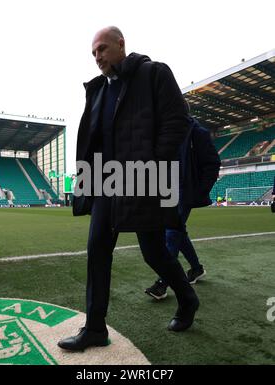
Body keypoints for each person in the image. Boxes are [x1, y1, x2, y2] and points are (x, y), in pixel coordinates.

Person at [58, 26, 199, 352]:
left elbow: (178, 120)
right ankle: (95, 328)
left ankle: (187, 298)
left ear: (121, 45)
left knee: (153, 253)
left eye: (103, 49)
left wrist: (154, 163)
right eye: (93, 53)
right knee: (97, 250)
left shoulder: (153, 74)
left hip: (142, 180)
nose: (98, 57)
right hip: (107, 183)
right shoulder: (99, 90)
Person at [145, 114, 221, 300]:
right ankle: (196, 269)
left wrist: (199, 192)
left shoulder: (198, 133)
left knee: (171, 233)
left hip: (185, 191)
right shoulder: (166, 133)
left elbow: (213, 164)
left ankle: (163, 283)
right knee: (178, 232)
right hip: (167, 190)